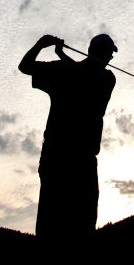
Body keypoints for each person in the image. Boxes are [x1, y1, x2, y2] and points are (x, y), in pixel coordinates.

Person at [18, 33, 117, 238]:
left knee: (74, 226)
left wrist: (49, 49)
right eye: (108, 55)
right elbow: (25, 67)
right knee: (58, 225)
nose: (109, 60)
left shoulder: (106, 79)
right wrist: (46, 48)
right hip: (67, 159)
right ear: (98, 54)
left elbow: (81, 75)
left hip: (72, 159)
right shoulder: (92, 74)